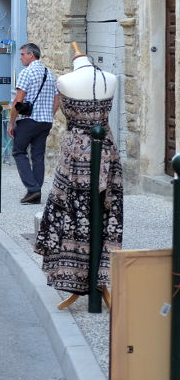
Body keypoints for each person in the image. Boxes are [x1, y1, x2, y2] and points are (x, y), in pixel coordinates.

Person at [34, 43, 121, 309]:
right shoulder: (106, 79)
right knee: (88, 213)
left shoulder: (69, 81)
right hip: (105, 149)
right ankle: (91, 279)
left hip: (75, 154)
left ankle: (89, 277)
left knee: (76, 213)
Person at [9, 43, 58, 204]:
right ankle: (35, 193)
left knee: (18, 151)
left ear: (31, 55)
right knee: (38, 156)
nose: (21, 57)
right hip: (45, 122)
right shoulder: (49, 73)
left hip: (28, 121)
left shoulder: (26, 73)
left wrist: (11, 122)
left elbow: (18, 99)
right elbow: (57, 99)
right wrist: (49, 114)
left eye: (22, 54)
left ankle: (33, 188)